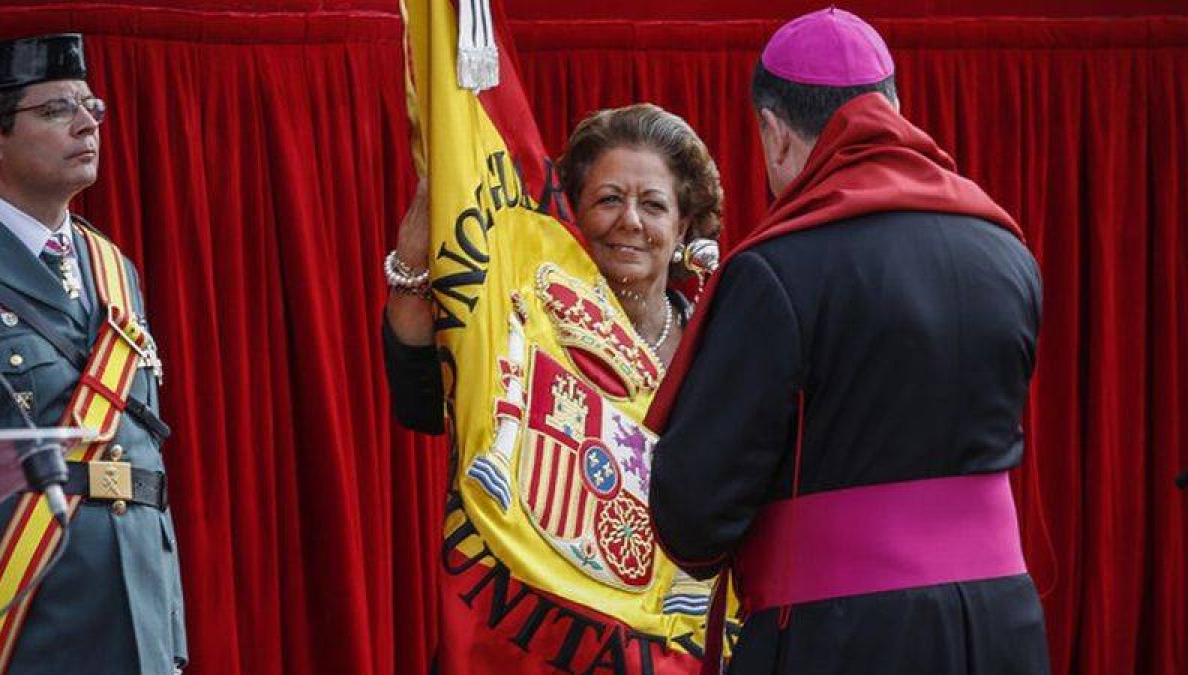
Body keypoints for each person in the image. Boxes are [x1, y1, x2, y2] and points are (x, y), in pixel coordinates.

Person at [647, 8, 1051, 674]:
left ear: (773, 134)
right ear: (893, 107)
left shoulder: (777, 269)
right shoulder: (1006, 247)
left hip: (840, 637)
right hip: (1002, 628)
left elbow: (694, 513)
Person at [0, 34, 187, 674]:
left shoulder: (113, 269)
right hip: (20, 613)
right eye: (54, 111)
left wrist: (170, 628)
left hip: (136, 607)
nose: (86, 125)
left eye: (90, 107)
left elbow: (141, 462)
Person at [383, 102, 723, 431]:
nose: (631, 220)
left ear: (681, 228)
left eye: (653, 205)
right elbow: (421, 407)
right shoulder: (525, 325)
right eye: (610, 199)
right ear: (572, 214)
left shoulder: (713, 344)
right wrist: (410, 263)